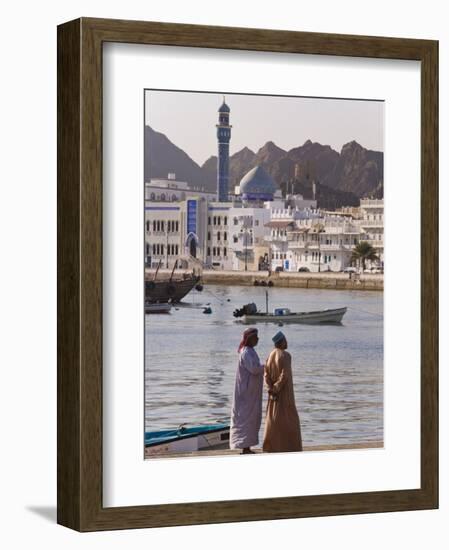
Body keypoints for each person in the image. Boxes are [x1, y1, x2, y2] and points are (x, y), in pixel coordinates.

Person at [263, 331, 303, 453]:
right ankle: (290, 448)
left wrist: (270, 388)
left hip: (273, 395)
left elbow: (266, 375)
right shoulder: (285, 355)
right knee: (290, 421)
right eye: (285, 340)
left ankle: (272, 447)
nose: (287, 342)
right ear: (281, 342)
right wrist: (276, 388)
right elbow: (285, 375)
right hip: (284, 395)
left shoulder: (270, 356)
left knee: (273, 421)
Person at [230, 328, 265, 454]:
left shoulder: (251, 351)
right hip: (246, 393)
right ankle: (245, 448)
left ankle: (247, 447)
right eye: (256, 337)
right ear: (250, 339)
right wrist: (268, 365)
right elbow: (254, 369)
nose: (258, 339)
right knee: (245, 418)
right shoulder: (246, 352)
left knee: (251, 418)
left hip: (251, 392)